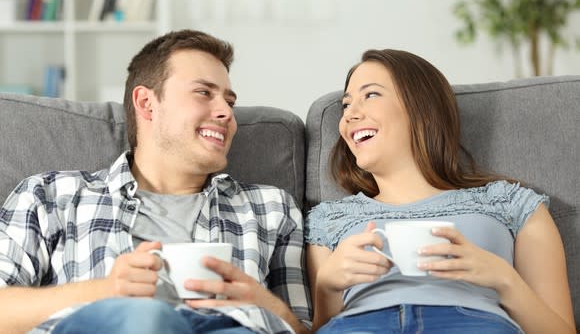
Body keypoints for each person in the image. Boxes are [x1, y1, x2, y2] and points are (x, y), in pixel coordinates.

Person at [0, 29, 311, 334]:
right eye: (204, 93)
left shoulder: (271, 208)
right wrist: (105, 291)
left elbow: (305, 329)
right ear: (147, 103)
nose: (227, 113)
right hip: (122, 324)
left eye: (229, 101)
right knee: (146, 318)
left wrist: (267, 306)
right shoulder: (51, 196)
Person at [305, 49, 575, 334]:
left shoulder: (511, 204)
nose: (350, 115)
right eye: (346, 105)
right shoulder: (328, 220)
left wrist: (505, 281)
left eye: (370, 95)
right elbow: (322, 326)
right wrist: (327, 287)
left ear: (420, 107)